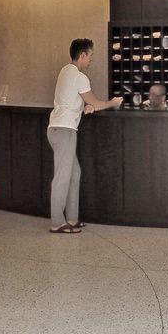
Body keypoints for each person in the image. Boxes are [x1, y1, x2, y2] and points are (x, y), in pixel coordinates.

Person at [48, 37, 120, 232]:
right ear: (82, 55)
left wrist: (84, 107)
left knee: (74, 173)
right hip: (65, 130)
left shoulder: (65, 71)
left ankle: (71, 219)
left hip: (56, 128)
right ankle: (57, 223)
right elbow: (96, 102)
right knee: (62, 176)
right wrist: (112, 102)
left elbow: (70, 99)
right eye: (90, 56)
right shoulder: (80, 77)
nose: (91, 60)